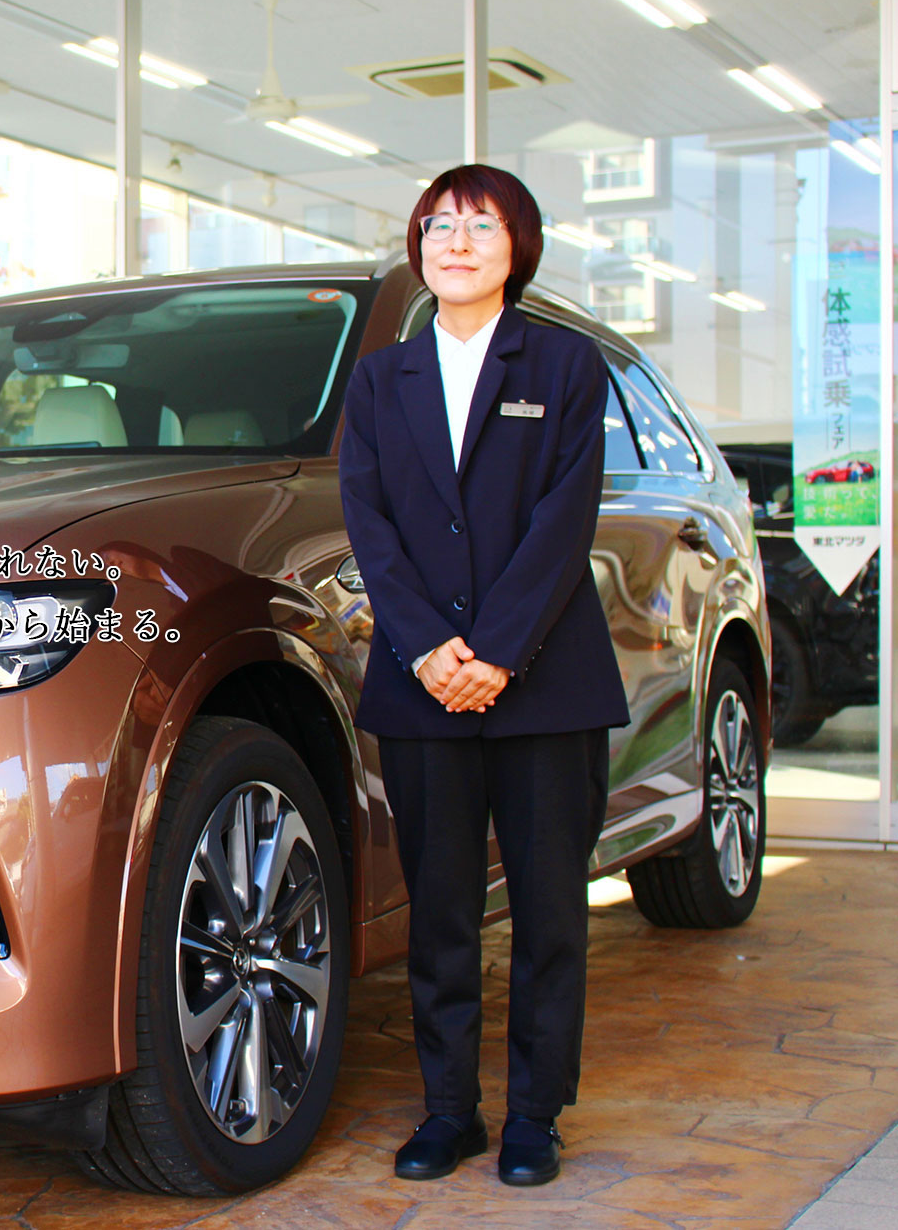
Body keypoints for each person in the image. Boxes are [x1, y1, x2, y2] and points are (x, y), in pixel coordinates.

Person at [337, 164, 631, 1187]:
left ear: (519, 247)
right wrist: (426, 647)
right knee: (442, 912)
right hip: (423, 684)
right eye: (438, 225)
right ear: (418, 247)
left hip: (544, 683)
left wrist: (498, 650)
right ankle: (449, 1110)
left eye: (481, 223)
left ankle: (535, 1116)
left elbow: (564, 519)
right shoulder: (381, 379)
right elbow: (368, 519)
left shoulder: (564, 363)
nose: (455, 241)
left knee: (550, 912)